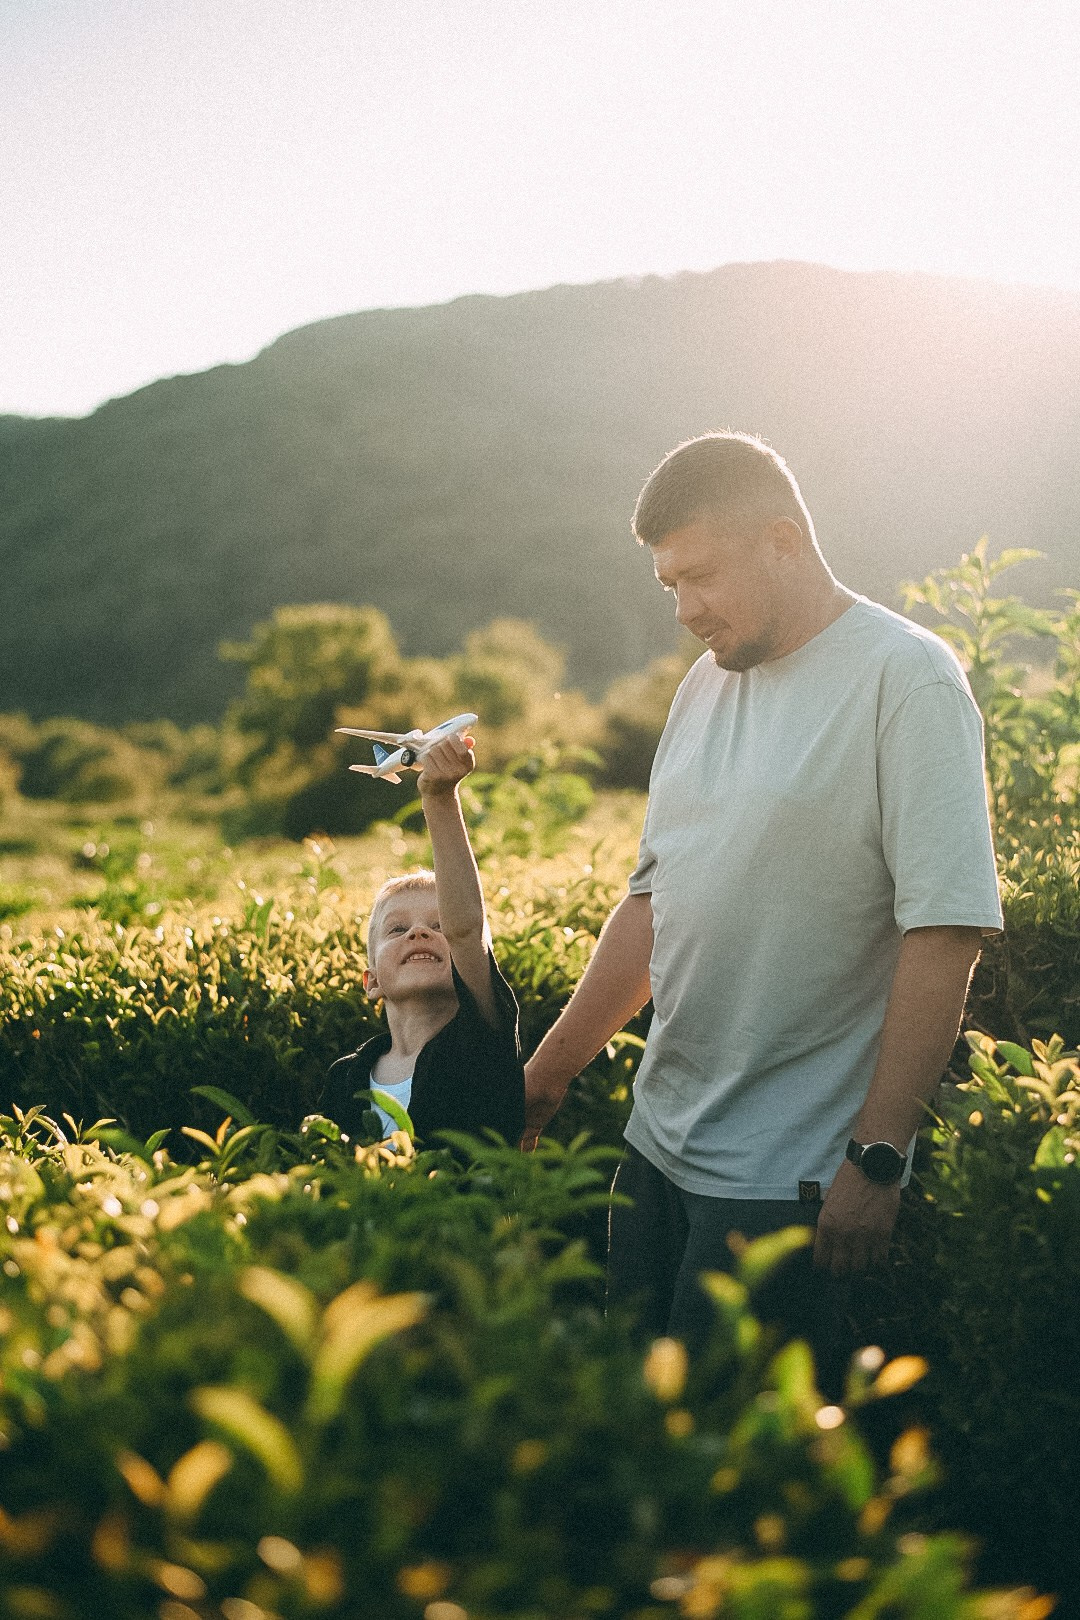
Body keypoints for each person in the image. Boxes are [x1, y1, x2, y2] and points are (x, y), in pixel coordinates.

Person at [522, 431, 1003, 1378]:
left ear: (784, 541)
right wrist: (547, 1071)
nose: (684, 609)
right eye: (669, 585)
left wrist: (877, 1159)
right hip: (655, 1145)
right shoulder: (705, 684)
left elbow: (945, 933)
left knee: (736, 1450)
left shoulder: (906, 677)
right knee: (636, 1422)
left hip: (787, 1178)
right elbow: (652, 899)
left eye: (700, 576)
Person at [322, 731, 525, 1148]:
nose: (420, 932)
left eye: (439, 925)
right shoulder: (344, 1078)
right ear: (371, 981)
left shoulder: (481, 1040)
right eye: (398, 929)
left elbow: (466, 929)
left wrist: (439, 797)